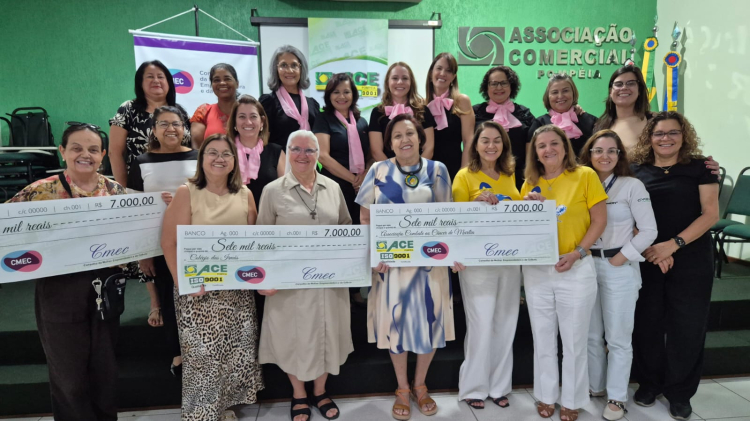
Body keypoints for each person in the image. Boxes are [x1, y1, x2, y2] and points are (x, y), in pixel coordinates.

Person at [7, 122, 126, 421]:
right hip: (59, 288)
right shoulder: (40, 191)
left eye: (93, 149)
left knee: (104, 370)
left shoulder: (116, 192)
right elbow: (6, 228)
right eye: (76, 148)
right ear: (62, 151)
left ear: (102, 155)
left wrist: (161, 206)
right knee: (68, 375)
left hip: (104, 288)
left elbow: (137, 234)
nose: (85, 155)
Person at [356, 114, 455, 420]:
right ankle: (402, 387)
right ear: (390, 143)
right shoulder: (378, 170)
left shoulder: (438, 170)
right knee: (395, 326)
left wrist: (452, 252)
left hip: (430, 265)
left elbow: (448, 218)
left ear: (420, 138)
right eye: (397, 135)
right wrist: (374, 255)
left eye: (410, 133)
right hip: (391, 268)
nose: (404, 139)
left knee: (430, 322)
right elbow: (365, 218)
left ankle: (420, 385)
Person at [161, 134, 263, 421]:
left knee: (233, 355)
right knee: (203, 361)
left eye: (226, 154)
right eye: (212, 153)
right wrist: (183, 284)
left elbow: (254, 243)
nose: (219, 158)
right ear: (202, 158)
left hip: (237, 292)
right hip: (198, 292)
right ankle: (201, 415)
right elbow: (169, 242)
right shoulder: (187, 192)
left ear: (234, 161)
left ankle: (222, 409)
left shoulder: (245, 194)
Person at [257, 130, 353, 421]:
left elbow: (346, 228)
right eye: (296, 149)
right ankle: (299, 393)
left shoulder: (333, 188)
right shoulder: (272, 190)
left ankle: (320, 391)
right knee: (291, 337)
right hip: (288, 286)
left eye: (310, 150)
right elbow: (262, 238)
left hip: (329, 282)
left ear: (318, 155)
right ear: (288, 152)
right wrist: (263, 278)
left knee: (328, 333)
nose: (302, 155)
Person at [630, 112, 719, 420]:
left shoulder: (701, 168)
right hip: (648, 257)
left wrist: (673, 245)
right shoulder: (636, 170)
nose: (665, 138)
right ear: (649, 137)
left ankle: (680, 393)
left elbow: (710, 214)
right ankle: (649, 384)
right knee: (647, 323)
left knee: (688, 327)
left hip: (691, 257)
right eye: (659, 133)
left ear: (684, 135)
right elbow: (625, 215)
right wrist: (654, 249)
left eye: (673, 132)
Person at [521, 125, 608, 421]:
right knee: (543, 337)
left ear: (565, 146)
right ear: (535, 153)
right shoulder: (529, 183)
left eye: (554, 143)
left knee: (574, 340)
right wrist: (527, 208)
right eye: (541, 146)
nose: (548, 150)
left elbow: (599, 220)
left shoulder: (585, 175)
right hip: (537, 270)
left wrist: (578, 253)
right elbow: (522, 230)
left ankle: (572, 399)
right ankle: (546, 395)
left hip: (576, 267)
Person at [578, 130, 658, 420]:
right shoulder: (581, 183)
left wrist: (621, 257)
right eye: (598, 150)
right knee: (590, 335)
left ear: (620, 155)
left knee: (618, 338)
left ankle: (617, 397)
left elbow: (649, 230)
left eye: (612, 150)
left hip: (618, 267)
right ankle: (595, 386)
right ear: (588, 154)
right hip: (585, 266)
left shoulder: (631, 185)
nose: (605, 156)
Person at [451, 121, 521, 410]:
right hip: (477, 263)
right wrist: (475, 205)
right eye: (485, 141)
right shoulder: (464, 177)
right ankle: (474, 387)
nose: (491, 146)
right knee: (480, 323)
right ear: (475, 145)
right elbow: (455, 221)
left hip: (509, 260)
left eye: (497, 141)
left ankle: (499, 386)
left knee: (506, 322)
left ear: (504, 145)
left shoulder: (510, 175)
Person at [127, 106, 198, 378]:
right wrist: (143, 252)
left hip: (195, 240)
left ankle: (200, 351)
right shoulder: (141, 161)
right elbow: (135, 209)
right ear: (154, 130)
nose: (171, 129)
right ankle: (178, 353)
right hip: (159, 241)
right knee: (170, 297)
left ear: (184, 128)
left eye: (176, 123)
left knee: (197, 296)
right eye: (164, 124)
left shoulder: (198, 157)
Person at [594, 65, 723, 173]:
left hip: (648, 188)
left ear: (640, 90)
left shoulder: (655, 121)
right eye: (618, 84)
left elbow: (680, 150)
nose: (624, 88)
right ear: (610, 91)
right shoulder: (599, 125)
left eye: (631, 83)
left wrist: (706, 167)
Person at [109, 60, 192, 188]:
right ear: (140, 83)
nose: (156, 80)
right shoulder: (128, 109)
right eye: (150, 76)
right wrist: (124, 188)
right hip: (140, 185)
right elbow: (115, 152)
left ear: (169, 82)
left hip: (181, 183)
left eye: (160, 77)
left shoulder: (180, 112)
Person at [314, 73, 369, 225]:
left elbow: (371, 155)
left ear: (353, 95)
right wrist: (354, 180)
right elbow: (323, 156)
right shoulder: (323, 119)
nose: (341, 96)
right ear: (329, 95)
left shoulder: (362, 122)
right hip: (335, 185)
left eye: (346, 92)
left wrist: (364, 176)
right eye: (336, 92)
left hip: (363, 188)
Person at [473, 66, 535, 189]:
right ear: (486, 87)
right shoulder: (475, 112)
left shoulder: (524, 114)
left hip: (518, 178)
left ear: (511, 86)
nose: (499, 88)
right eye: (494, 83)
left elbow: (533, 148)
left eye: (504, 83)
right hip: (481, 177)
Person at [226, 94, 285, 209]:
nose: (248, 122)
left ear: (262, 122)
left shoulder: (276, 152)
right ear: (234, 122)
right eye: (242, 117)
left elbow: (285, 192)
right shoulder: (225, 151)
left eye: (253, 116)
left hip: (268, 216)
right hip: (231, 216)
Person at [369, 62, 435, 161]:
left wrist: (416, 169)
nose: (400, 82)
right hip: (388, 169)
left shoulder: (423, 111)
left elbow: (429, 149)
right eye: (395, 78)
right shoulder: (377, 113)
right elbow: (376, 151)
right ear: (387, 82)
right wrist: (393, 169)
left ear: (411, 82)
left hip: (419, 169)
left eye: (405, 78)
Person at [425, 52, 475, 181]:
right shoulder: (421, 104)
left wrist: (463, 172)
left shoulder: (462, 101)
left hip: (455, 168)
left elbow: (469, 140)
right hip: (426, 170)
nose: (443, 73)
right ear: (431, 73)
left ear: (453, 77)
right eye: (439, 68)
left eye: (448, 70)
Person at [260, 45, 320, 148]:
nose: (289, 70)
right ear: (276, 69)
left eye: (294, 65)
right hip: (280, 158)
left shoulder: (313, 104)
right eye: (283, 65)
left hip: (309, 157)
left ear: (301, 69)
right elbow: (262, 142)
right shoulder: (268, 102)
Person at [527, 73, 596, 157]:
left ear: (573, 93)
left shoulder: (591, 122)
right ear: (548, 97)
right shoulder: (539, 124)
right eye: (555, 92)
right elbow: (530, 159)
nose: (560, 96)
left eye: (565, 91)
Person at [190, 63, 240, 148]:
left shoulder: (248, 112)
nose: (222, 83)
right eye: (216, 80)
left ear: (237, 83)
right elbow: (197, 150)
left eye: (227, 79)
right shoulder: (203, 112)